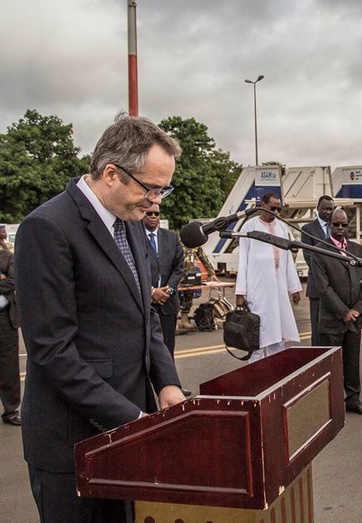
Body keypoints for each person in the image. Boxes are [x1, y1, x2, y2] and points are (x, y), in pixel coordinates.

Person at [14, 115, 185, 521]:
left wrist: (168, 384)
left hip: (127, 436)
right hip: (73, 444)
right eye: (151, 188)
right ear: (112, 173)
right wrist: (130, 419)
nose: (156, 201)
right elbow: (53, 350)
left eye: (164, 190)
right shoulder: (46, 228)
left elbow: (147, 321)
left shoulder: (130, 223)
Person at [310, 208, 362, 415]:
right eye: (336, 224)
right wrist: (343, 312)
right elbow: (323, 287)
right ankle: (331, 403)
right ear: (329, 225)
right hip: (332, 320)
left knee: (352, 362)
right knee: (332, 364)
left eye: (344, 225)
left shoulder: (356, 249)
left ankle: (353, 400)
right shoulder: (321, 250)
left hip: (354, 318)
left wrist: (357, 309)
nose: (340, 228)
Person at [235, 193, 302, 362]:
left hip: (278, 289)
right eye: (273, 208)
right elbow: (243, 260)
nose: (276, 212)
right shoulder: (249, 227)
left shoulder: (282, 228)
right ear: (262, 205)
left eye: (279, 209)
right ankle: (256, 378)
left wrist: (294, 288)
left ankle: (276, 374)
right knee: (257, 334)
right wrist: (240, 291)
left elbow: (287, 260)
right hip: (258, 289)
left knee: (278, 333)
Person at [143, 204, 185, 356]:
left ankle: (168, 379)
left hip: (168, 304)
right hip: (146, 304)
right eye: (149, 213)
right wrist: (152, 291)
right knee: (147, 349)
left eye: (156, 214)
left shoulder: (171, 237)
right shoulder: (135, 238)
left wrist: (168, 290)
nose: (153, 217)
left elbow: (179, 267)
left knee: (167, 349)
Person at [301, 195, 335, 345]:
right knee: (317, 328)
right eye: (324, 208)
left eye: (330, 209)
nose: (327, 212)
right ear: (317, 208)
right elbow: (310, 258)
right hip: (317, 287)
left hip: (336, 287)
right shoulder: (308, 230)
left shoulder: (338, 228)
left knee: (333, 329)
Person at [0, 247, 20, 426]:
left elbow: (13, 281)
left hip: (6, 319)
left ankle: (10, 410)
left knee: (9, 367)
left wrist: (6, 279)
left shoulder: (7, 257)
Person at [177, 245, 218, 330]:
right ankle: (175, 321)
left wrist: (211, 273)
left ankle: (184, 320)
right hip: (176, 275)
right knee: (174, 299)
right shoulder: (176, 241)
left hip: (191, 276)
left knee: (188, 298)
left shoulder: (195, 243)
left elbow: (203, 257)